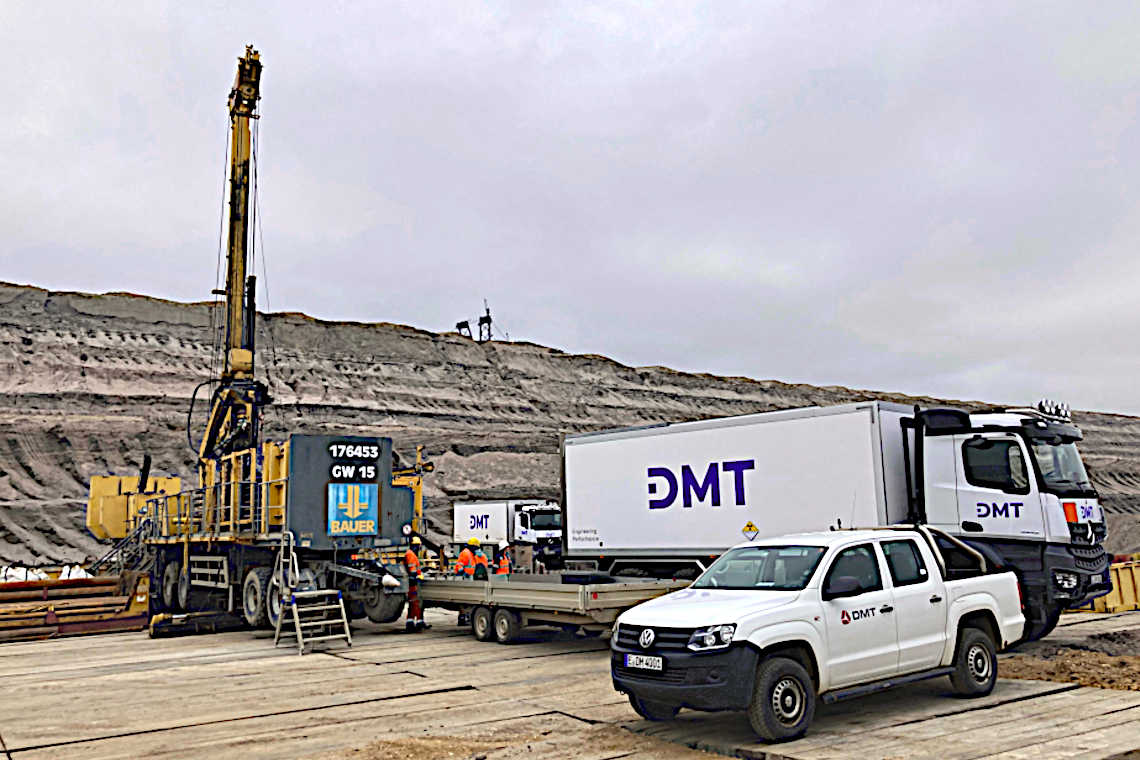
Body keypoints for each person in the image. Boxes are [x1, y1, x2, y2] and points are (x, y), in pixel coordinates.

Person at [404, 537, 428, 632]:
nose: (419, 548)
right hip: (412, 582)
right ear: (415, 546)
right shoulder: (411, 554)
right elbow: (412, 570)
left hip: (411, 582)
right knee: (416, 602)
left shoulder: (410, 553)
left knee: (413, 603)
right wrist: (418, 575)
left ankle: (411, 622)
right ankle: (417, 623)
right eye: (418, 546)